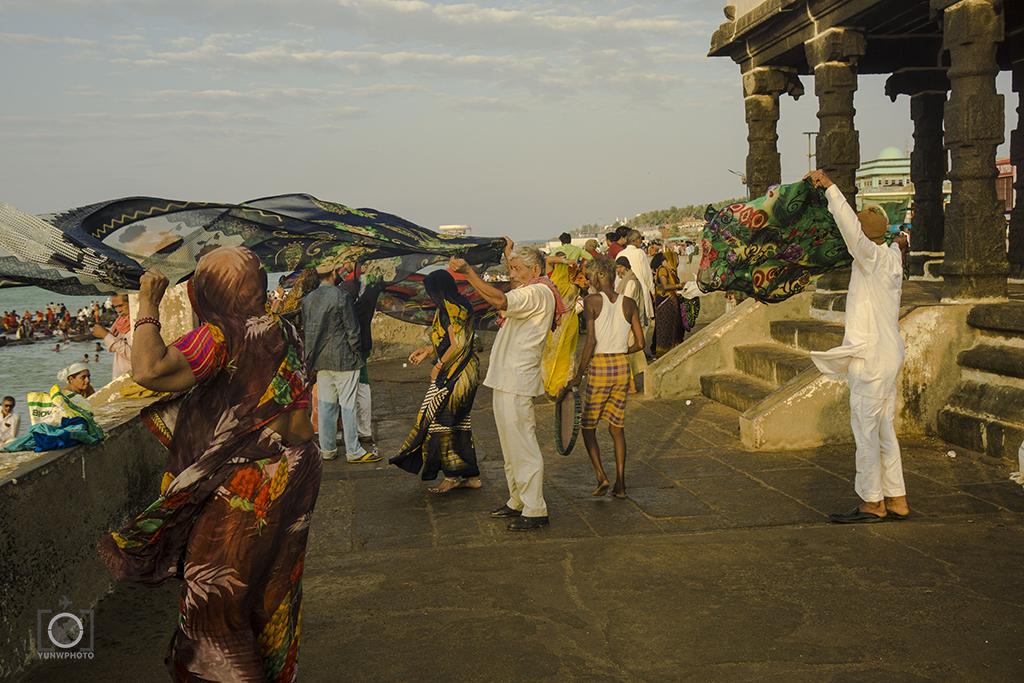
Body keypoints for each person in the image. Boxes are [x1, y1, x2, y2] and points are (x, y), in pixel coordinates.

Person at [99, 247, 320, 681]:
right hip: (298, 468)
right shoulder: (285, 328)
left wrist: (147, 304)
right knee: (270, 586)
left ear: (208, 293)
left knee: (216, 596)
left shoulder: (221, 336)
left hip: (250, 481)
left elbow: (149, 370)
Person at [805, 170, 911, 524]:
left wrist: (832, 188)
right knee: (883, 429)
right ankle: (896, 497)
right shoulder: (892, 258)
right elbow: (898, 243)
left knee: (865, 430)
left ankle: (872, 502)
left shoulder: (869, 258)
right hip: (890, 353)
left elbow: (851, 229)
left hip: (870, 358)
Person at [450, 240, 565, 532]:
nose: (511, 273)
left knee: (522, 445)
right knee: (510, 446)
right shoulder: (533, 289)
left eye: (516, 269)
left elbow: (502, 301)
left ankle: (535, 507)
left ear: (535, 270)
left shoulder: (538, 292)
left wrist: (469, 273)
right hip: (508, 378)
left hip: (517, 379)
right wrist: (508, 253)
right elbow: (512, 292)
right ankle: (518, 500)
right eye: (510, 268)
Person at [391, 269, 483, 494]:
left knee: (442, 422)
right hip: (468, 371)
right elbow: (450, 341)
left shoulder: (450, 310)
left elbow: (458, 344)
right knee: (460, 422)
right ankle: (470, 475)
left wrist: (439, 365)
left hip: (456, 375)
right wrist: (426, 351)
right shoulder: (460, 305)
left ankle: (452, 476)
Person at [565, 256, 645, 498]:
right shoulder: (629, 303)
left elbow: (590, 342)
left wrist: (579, 374)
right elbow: (640, 343)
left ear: (601, 276)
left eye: (591, 276)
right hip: (622, 366)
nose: (590, 280)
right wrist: (621, 350)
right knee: (617, 427)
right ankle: (621, 484)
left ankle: (601, 475)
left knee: (588, 427)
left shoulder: (591, 301)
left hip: (599, 366)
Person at [302, 264, 380, 463]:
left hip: (320, 360)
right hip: (344, 359)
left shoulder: (308, 300)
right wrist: (357, 355)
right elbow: (352, 330)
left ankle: (327, 449)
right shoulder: (341, 296)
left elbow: (307, 332)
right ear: (334, 274)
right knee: (347, 406)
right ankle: (353, 450)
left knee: (327, 406)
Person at [341, 264, 386, 454]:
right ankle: (364, 429)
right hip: (364, 340)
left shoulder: (346, 287)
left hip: (346, 343)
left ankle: (348, 431)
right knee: (363, 384)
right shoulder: (374, 286)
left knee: (347, 388)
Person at [540, 248, 584, 397]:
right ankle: (559, 383)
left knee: (563, 352)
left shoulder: (572, 277)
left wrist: (566, 263)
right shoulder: (561, 276)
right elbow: (548, 260)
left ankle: (559, 383)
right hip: (560, 321)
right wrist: (566, 261)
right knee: (558, 352)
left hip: (564, 321)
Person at [614, 257, 648, 393]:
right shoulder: (629, 280)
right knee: (629, 356)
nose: (617, 271)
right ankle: (630, 385)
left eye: (618, 268)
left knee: (627, 355)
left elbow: (625, 303)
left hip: (629, 323)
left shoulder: (631, 282)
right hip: (630, 322)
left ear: (623, 267)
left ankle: (631, 386)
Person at [619, 228, 655, 352]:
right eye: (640, 239)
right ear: (635, 240)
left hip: (623, 292)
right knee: (641, 323)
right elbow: (647, 275)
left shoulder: (620, 254)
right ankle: (638, 352)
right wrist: (653, 291)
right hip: (639, 290)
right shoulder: (639, 253)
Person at [651, 247, 687, 357]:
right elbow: (665, 286)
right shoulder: (663, 270)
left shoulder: (670, 271)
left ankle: (672, 349)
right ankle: (663, 352)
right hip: (665, 302)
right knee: (665, 328)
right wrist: (679, 286)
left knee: (673, 327)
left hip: (671, 302)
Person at [93, 293, 132, 380]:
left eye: (121, 306)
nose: (118, 310)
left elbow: (135, 356)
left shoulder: (137, 322)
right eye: (115, 307)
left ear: (132, 302)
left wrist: (106, 335)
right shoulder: (120, 321)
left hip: (132, 378)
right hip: (121, 377)